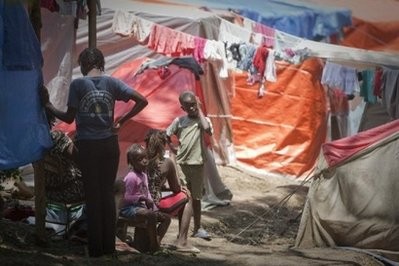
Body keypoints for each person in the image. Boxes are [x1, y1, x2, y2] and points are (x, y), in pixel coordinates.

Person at [42, 47, 148, 258]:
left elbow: (69, 118)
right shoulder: (112, 83)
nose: (80, 68)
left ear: (86, 64)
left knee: (92, 195)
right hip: (110, 144)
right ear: (100, 63)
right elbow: (142, 100)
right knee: (107, 195)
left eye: (81, 64)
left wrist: (47, 105)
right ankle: (109, 247)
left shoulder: (78, 85)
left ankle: (96, 250)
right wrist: (122, 121)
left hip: (89, 147)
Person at [166, 90, 212, 240]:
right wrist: (171, 147)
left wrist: (199, 110)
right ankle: (183, 229)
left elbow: (207, 129)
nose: (191, 109)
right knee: (184, 197)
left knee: (197, 198)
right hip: (182, 164)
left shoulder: (202, 120)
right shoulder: (179, 121)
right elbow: (166, 134)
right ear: (183, 108)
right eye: (188, 106)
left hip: (197, 164)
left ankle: (197, 227)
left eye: (193, 105)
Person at [145, 129, 200, 253]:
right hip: (155, 204)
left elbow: (150, 182)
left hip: (141, 202)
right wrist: (180, 188)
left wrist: (163, 187)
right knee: (187, 196)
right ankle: (182, 241)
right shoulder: (166, 162)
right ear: (163, 145)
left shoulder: (140, 159)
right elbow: (176, 188)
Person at [120, 144, 171, 252]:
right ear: (132, 162)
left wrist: (153, 206)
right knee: (151, 216)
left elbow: (147, 193)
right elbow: (125, 197)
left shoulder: (143, 175)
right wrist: (142, 198)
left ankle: (156, 242)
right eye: (140, 159)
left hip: (140, 207)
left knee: (166, 218)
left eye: (145, 158)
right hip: (128, 209)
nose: (144, 161)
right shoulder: (131, 177)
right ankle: (154, 246)